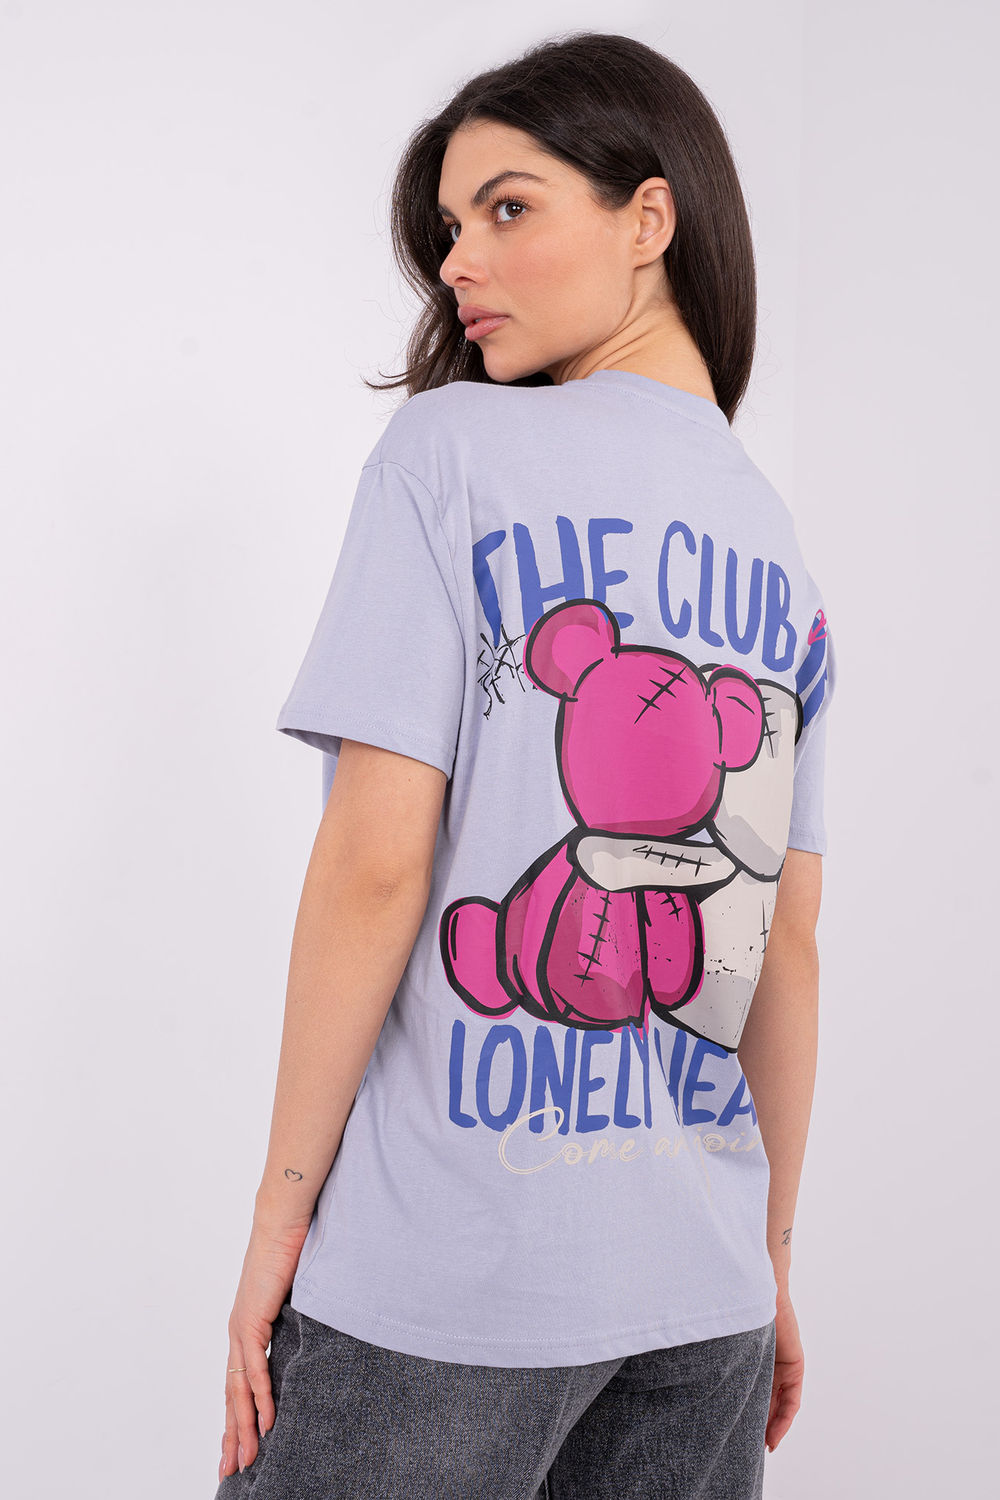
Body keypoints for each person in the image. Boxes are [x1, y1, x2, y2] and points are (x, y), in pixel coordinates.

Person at [214, 29, 835, 1500]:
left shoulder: (450, 455)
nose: (458, 264)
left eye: (508, 207)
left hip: (450, 1280)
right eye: (448, 228)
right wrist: (767, 1259)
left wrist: (276, 1229)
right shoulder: (776, 545)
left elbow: (376, 868)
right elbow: (787, 944)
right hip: (701, 1299)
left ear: (649, 216)